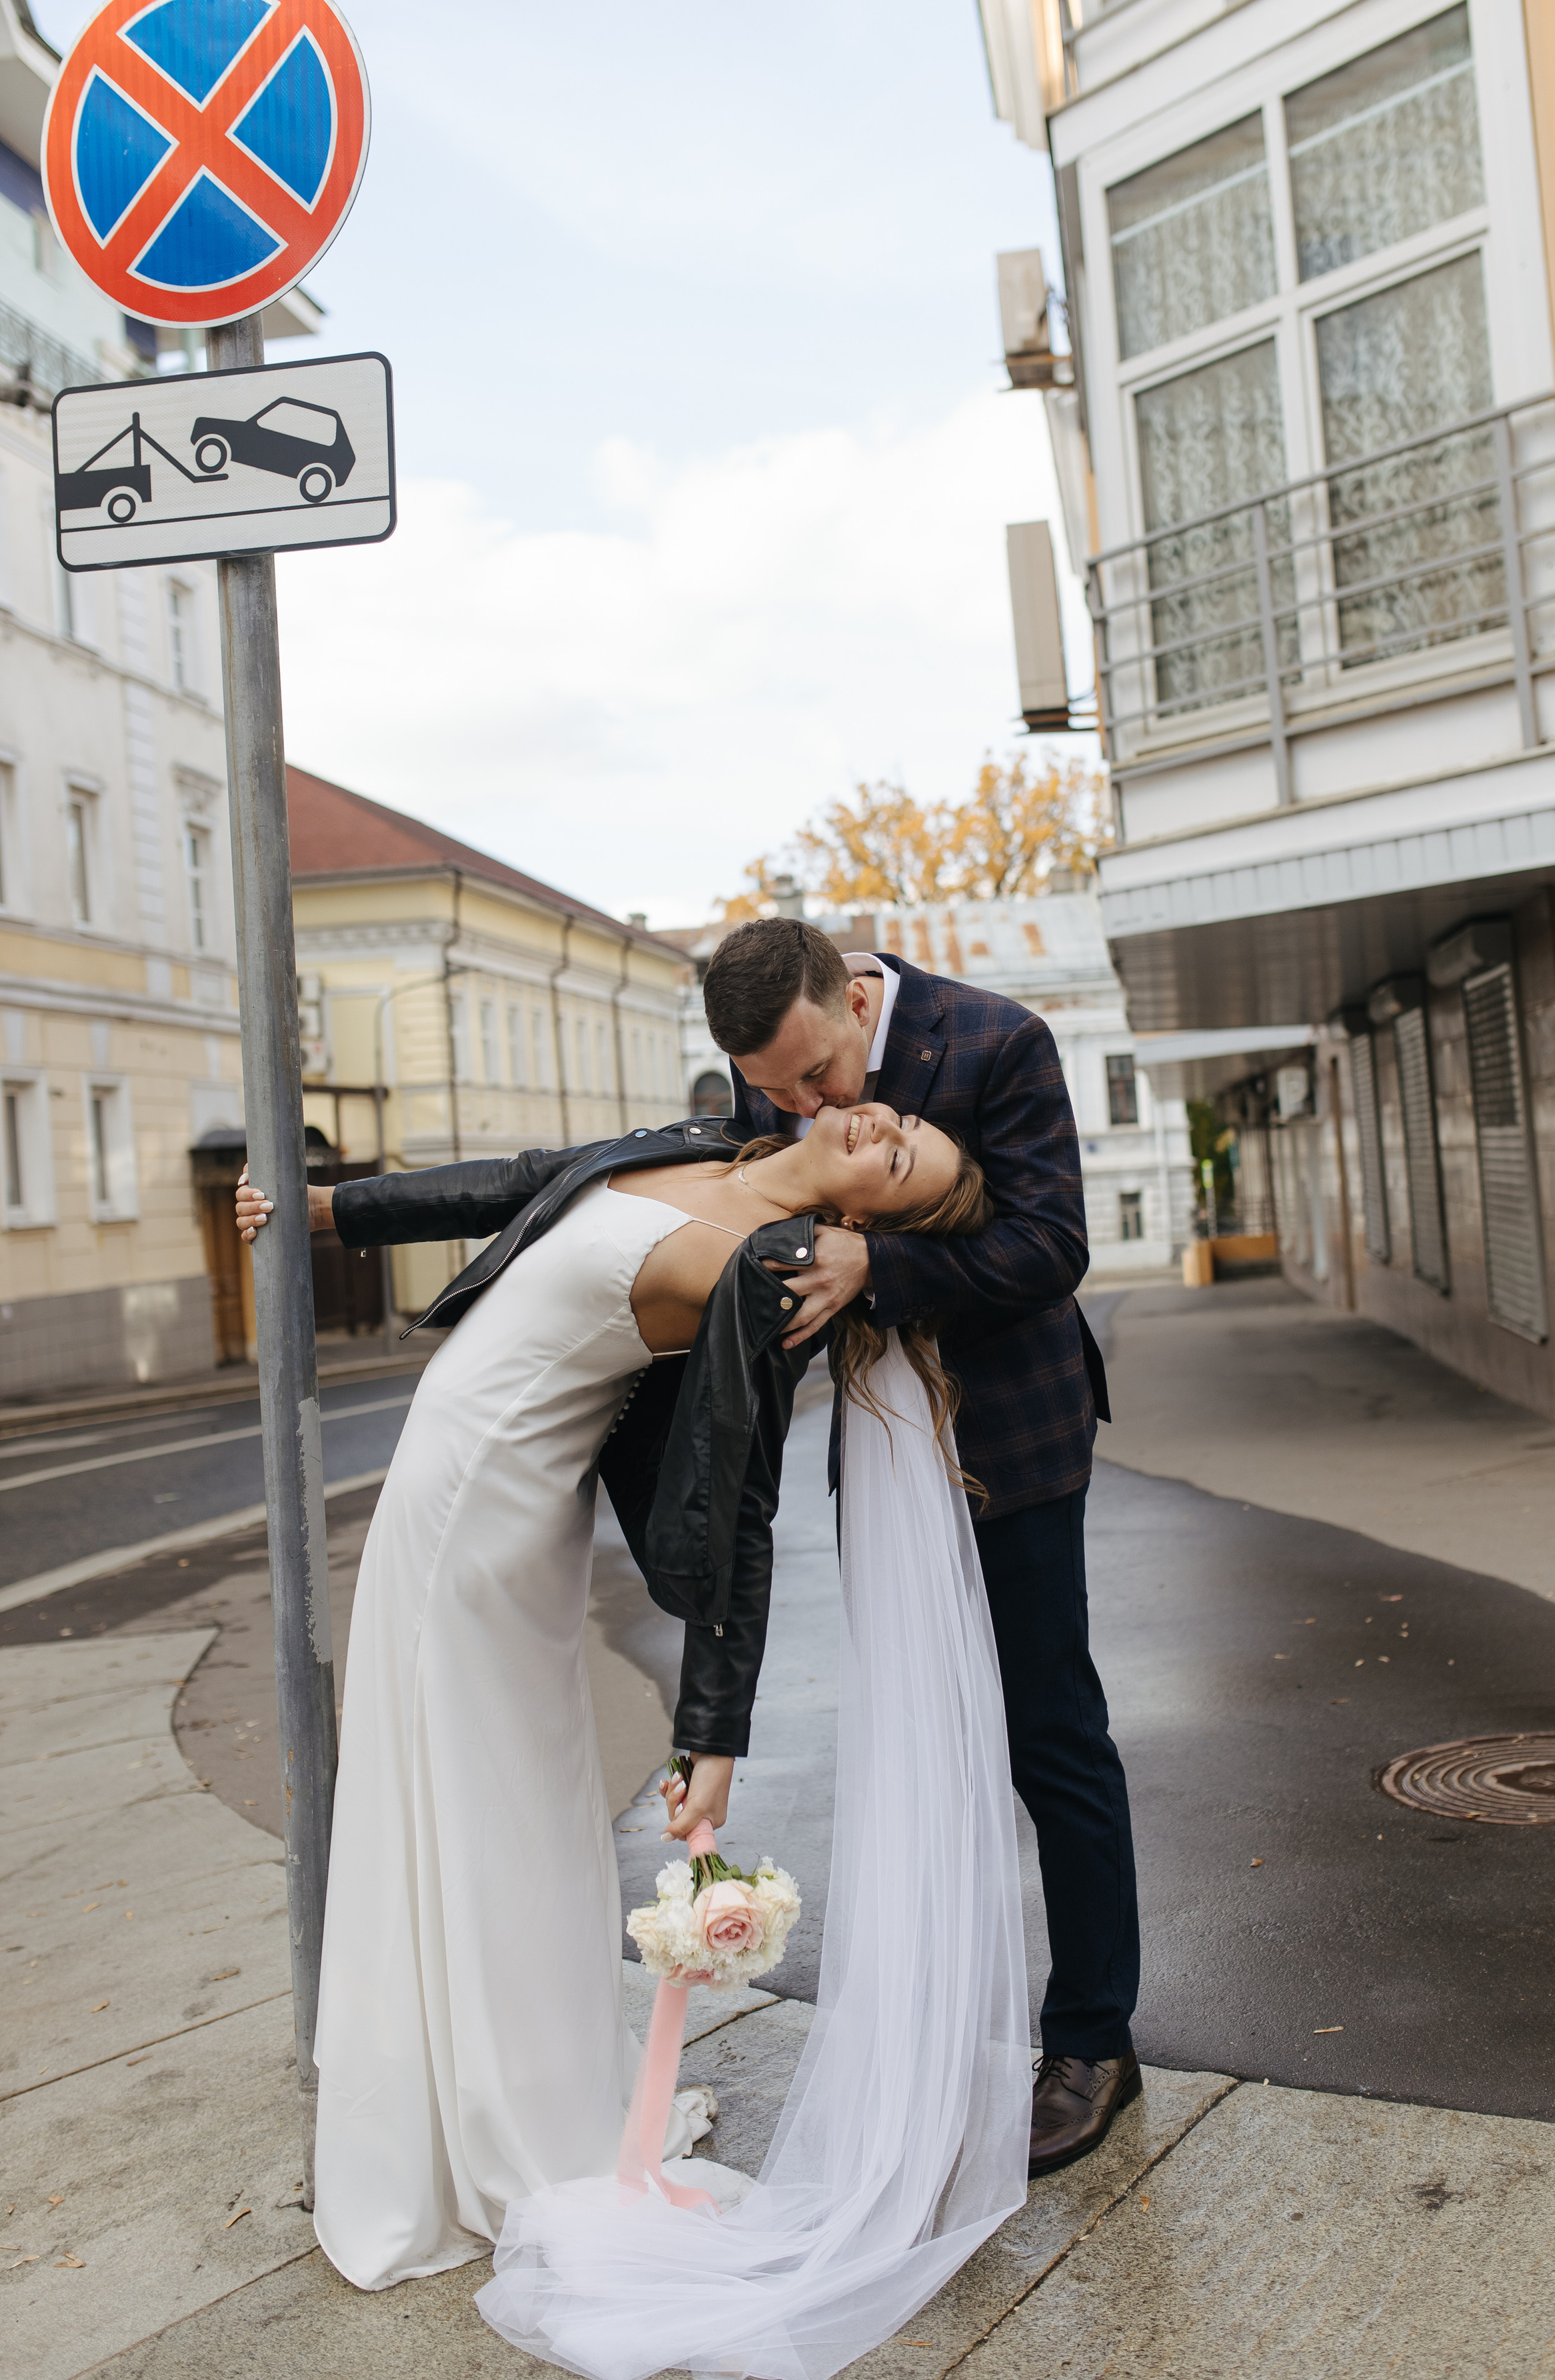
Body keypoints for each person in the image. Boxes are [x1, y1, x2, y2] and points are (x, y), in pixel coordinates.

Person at [239, 1104, 990, 2291]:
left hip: (488, 1517)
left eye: (898, 1161)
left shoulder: (763, 1268)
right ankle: (493, 2100)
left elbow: (742, 1497)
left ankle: (508, 2121)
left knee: (490, 1810)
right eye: (902, 1122)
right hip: (463, 1476)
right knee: (488, 1803)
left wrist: (713, 1739)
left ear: (857, 1220)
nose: (880, 1123)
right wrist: (332, 1210)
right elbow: (528, 1180)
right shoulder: (714, 1146)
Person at [703, 917, 1140, 2177]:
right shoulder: (775, 1065)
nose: (797, 1104)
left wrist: (876, 1267)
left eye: (814, 1078)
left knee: (1050, 1740)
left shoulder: (1001, 1039)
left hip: (1017, 1441)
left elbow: (1055, 1245)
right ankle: (942, 2028)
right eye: (770, 1090)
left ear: (853, 996)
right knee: (915, 1742)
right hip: (881, 1464)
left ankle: (1093, 2040)